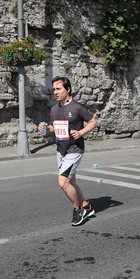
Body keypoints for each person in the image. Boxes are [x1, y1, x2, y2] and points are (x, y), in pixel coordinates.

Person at [39, 76, 98, 226]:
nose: (55, 92)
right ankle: (86, 206)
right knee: (71, 182)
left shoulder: (77, 107)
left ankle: (78, 210)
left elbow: (93, 122)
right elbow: (53, 127)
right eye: (54, 90)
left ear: (68, 89)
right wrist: (45, 128)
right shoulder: (54, 109)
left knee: (63, 182)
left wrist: (81, 133)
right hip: (61, 150)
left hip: (74, 149)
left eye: (58, 89)